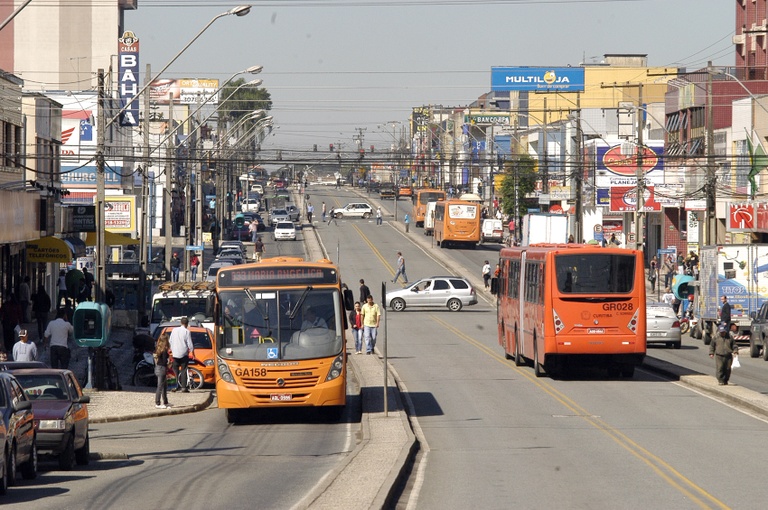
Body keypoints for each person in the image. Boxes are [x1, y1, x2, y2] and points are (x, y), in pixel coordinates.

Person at [169, 317, 194, 393]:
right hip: (183, 354)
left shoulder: (174, 330)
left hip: (175, 353)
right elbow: (189, 343)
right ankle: (183, 387)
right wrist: (192, 351)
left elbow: (170, 340)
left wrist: (172, 349)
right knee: (183, 370)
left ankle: (175, 386)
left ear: (181, 323)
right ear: (187, 324)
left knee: (175, 370)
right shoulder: (187, 331)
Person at [154, 332, 172, 409]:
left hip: (158, 368)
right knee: (160, 386)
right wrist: (169, 363)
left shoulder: (158, 348)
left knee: (164, 386)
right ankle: (157, 403)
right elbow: (164, 362)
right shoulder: (164, 351)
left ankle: (166, 401)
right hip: (162, 369)